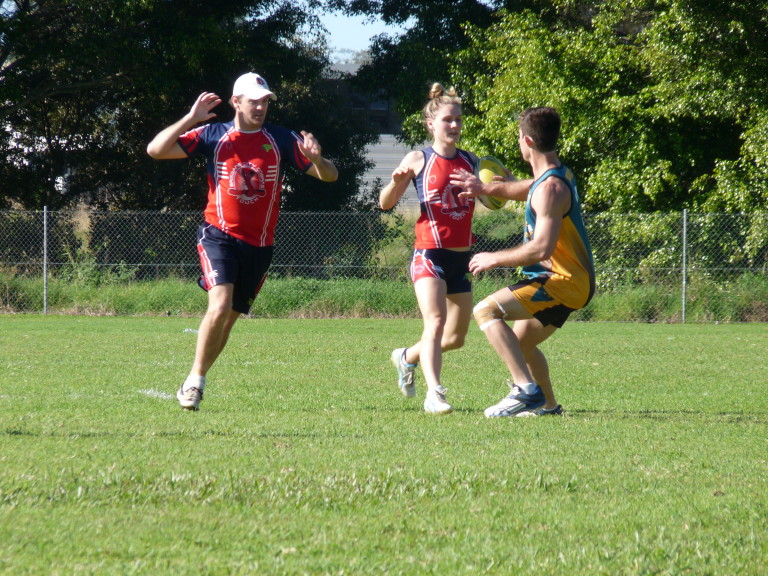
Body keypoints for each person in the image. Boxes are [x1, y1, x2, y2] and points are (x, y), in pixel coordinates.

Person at [147, 72, 338, 411]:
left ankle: (198, 376)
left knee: (230, 319)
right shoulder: (214, 134)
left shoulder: (280, 139)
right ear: (236, 102)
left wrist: (317, 158)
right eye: (254, 101)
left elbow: (330, 176)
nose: (261, 107)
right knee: (218, 306)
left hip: (260, 246)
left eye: (265, 101)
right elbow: (156, 150)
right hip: (218, 235)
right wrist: (191, 118)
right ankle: (194, 381)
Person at [451, 106, 594, 417]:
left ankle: (525, 390)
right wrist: (484, 188)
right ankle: (548, 406)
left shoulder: (551, 189)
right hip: (570, 281)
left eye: (519, 137)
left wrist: (493, 258)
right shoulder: (554, 177)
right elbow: (525, 188)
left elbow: (541, 248)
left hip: (561, 281)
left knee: (487, 310)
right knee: (520, 343)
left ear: (527, 141)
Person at [379, 83, 479, 415]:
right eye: (448, 119)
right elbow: (385, 203)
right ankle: (434, 394)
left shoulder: (472, 161)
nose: (454, 126)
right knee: (434, 322)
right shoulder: (419, 158)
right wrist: (396, 180)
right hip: (429, 255)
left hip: (461, 258)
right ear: (431, 124)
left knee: (455, 338)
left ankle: (406, 357)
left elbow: (493, 196)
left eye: (459, 120)